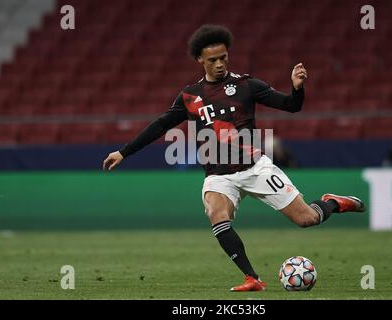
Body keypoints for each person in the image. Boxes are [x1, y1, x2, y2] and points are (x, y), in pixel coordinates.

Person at [103, 25, 365, 292]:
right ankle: (252, 278)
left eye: (223, 58)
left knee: (307, 219)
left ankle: (332, 202)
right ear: (200, 60)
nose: (219, 64)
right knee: (216, 214)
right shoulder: (190, 96)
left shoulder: (246, 85)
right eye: (212, 60)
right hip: (219, 176)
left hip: (255, 168)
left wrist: (297, 89)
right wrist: (124, 151)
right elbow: (160, 125)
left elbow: (291, 106)